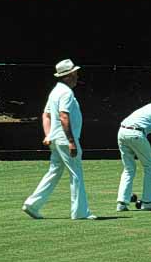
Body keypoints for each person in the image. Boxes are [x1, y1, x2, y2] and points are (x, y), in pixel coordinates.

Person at [22, 59, 96, 220]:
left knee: (54, 172)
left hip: (57, 140)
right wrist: (71, 141)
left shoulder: (56, 91)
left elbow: (46, 115)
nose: (77, 76)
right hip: (65, 140)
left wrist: (48, 134)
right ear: (68, 76)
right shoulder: (66, 93)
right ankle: (80, 212)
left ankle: (32, 204)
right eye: (75, 74)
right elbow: (63, 116)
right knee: (76, 174)